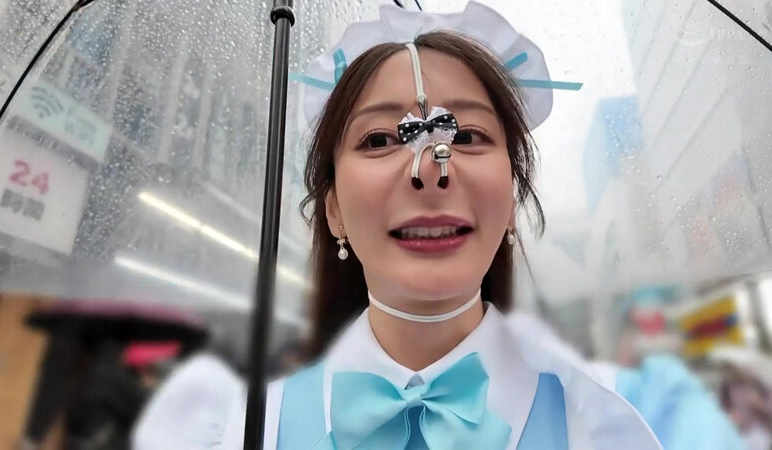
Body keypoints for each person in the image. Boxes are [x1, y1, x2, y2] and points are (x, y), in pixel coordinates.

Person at [137, 3, 661, 448]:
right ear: (333, 208)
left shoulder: (604, 433)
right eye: (380, 140)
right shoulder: (246, 431)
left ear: (512, 192)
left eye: (466, 135)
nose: (430, 170)